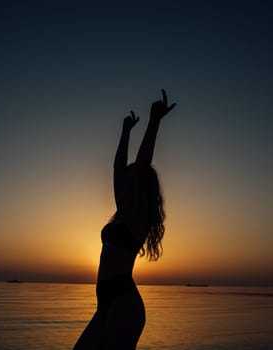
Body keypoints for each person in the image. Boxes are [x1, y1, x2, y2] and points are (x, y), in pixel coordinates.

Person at [74, 90, 176, 349]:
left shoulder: (138, 216)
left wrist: (154, 121)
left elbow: (141, 165)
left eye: (134, 177)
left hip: (124, 303)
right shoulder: (122, 211)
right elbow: (118, 169)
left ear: (140, 184)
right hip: (105, 304)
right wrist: (125, 131)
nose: (128, 178)